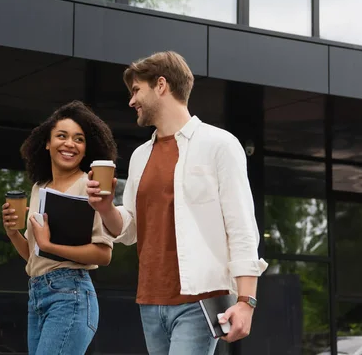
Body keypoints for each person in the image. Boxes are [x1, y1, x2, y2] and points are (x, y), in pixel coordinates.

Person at [87, 51, 268, 355]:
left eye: (136, 90)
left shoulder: (219, 145)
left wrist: (246, 301)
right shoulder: (141, 155)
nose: (131, 101)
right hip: (149, 301)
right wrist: (105, 208)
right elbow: (129, 229)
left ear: (161, 85)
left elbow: (241, 227)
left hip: (199, 301)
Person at [1, 100, 118, 355]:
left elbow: (104, 253)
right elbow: (35, 257)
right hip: (37, 295)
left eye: (79, 139)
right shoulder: (38, 188)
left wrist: (49, 245)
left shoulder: (90, 185)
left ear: (86, 149)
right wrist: (13, 233)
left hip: (72, 295)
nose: (69, 144)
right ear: (47, 142)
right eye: (61, 136)